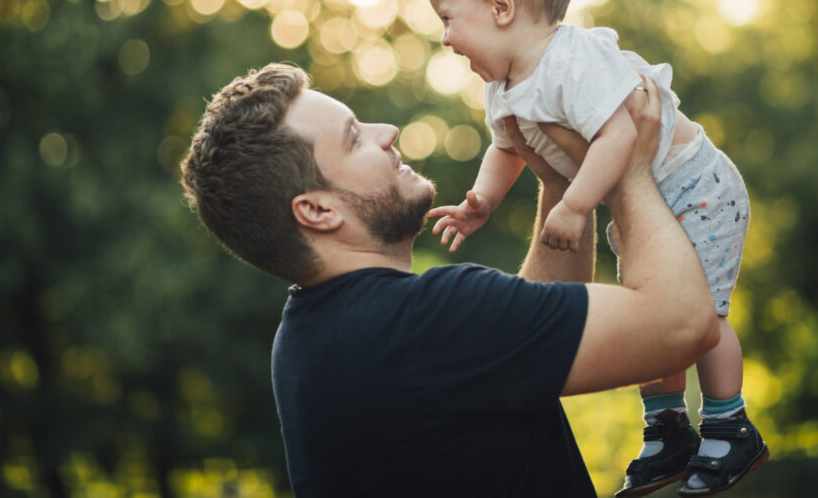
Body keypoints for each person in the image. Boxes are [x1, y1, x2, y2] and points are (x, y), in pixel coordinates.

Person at [180, 62, 719, 497]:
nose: (386, 132)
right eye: (353, 139)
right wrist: (627, 165)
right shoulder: (425, 319)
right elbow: (682, 324)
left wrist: (559, 181)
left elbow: (528, 328)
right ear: (317, 211)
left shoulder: (313, 337)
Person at [426, 0, 768, 497]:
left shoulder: (571, 61)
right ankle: (668, 428)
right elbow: (505, 150)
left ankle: (729, 423)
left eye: (448, 18)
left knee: (702, 315)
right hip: (645, 200)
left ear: (500, 7)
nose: (444, 37)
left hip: (695, 185)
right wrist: (482, 200)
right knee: (649, 308)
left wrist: (576, 205)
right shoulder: (501, 89)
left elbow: (620, 136)